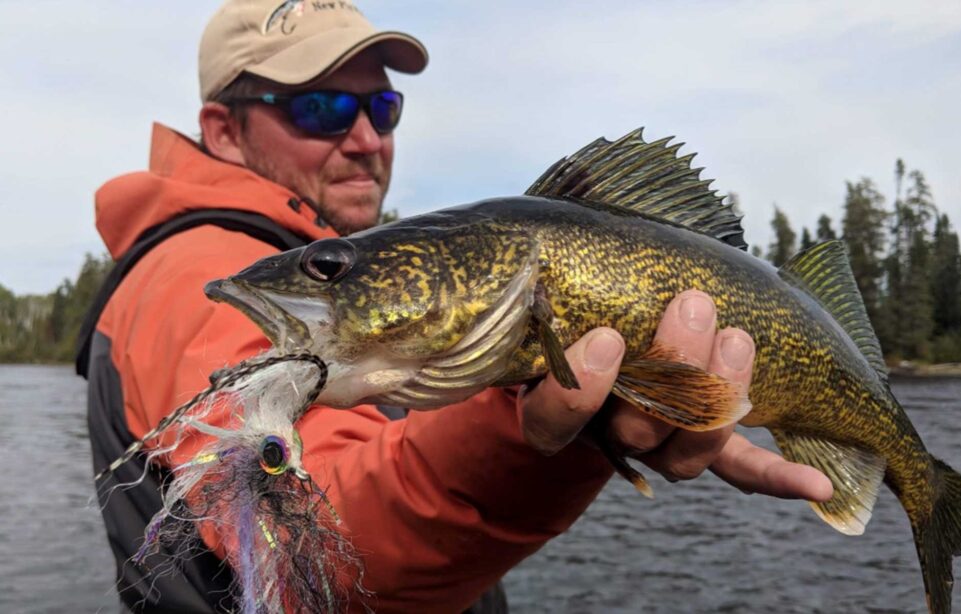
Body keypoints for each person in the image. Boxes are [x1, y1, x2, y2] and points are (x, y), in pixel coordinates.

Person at [84, 1, 832, 612]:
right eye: (321, 107)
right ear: (223, 130)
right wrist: (534, 429)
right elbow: (326, 540)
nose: (366, 137)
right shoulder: (199, 269)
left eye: (383, 106)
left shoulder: (341, 295)